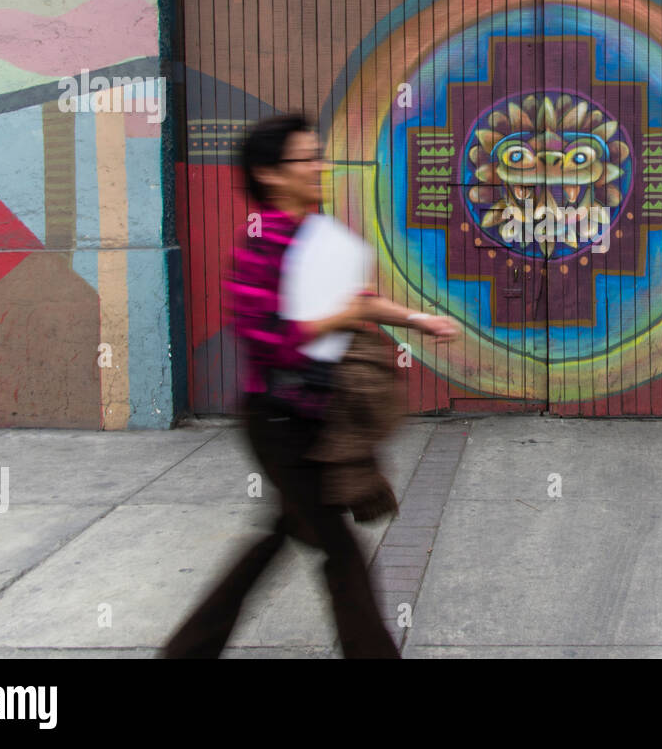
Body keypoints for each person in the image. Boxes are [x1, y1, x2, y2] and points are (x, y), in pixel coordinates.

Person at [163, 113, 459, 659]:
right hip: (278, 420)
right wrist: (335, 318)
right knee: (340, 555)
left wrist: (419, 320)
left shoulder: (317, 233)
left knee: (280, 536)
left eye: (319, 154)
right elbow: (269, 338)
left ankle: (187, 651)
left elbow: (357, 300)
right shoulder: (259, 245)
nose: (321, 166)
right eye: (307, 158)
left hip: (315, 413)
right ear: (270, 174)